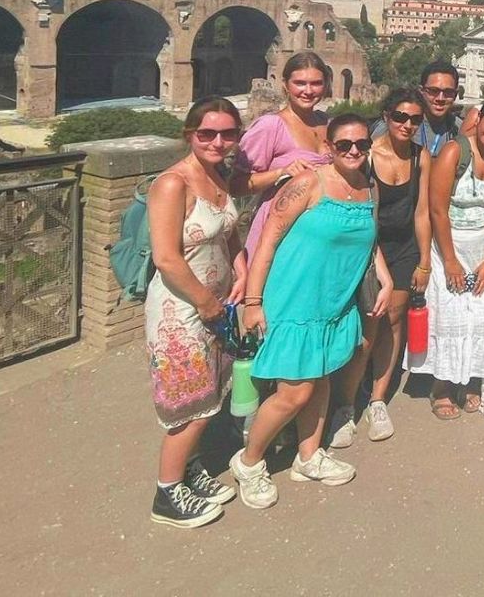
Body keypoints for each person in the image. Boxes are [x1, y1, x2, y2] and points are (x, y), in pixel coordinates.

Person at [231, 114, 392, 510]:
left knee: (320, 378)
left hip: (335, 299)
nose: (354, 151)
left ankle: (308, 456)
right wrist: (253, 302)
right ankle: (249, 461)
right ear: (329, 149)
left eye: (361, 145)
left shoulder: (369, 187)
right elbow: (267, 242)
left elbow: (370, 241)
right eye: (344, 145)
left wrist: (385, 278)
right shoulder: (308, 184)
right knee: (294, 392)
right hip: (295, 297)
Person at [144, 97, 246, 528]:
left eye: (227, 134)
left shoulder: (216, 175)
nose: (217, 141)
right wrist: (206, 302)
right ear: (190, 135)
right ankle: (167, 494)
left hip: (215, 304)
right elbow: (166, 257)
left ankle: (189, 470)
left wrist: (240, 269)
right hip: (181, 310)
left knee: (209, 393)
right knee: (191, 403)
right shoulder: (173, 184)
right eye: (207, 133)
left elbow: (227, 232)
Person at [328, 88, 432, 448]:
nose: (408, 124)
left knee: (394, 319)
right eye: (400, 117)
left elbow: (421, 211)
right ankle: (344, 404)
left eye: (416, 119)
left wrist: (425, 260)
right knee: (370, 325)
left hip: (403, 247)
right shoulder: (368, 155)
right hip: (368, 245)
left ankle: (376, 399)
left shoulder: (422, 157)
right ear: (386, 116)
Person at [406, 96, 484, 419]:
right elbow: (438, 209)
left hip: (483, 246)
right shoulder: (456, 151)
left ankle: (471, 380)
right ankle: (441, 386)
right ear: (479, 118)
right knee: (450, 314)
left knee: (481, 315)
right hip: (449, 246)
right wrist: (450, 260)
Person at [230, 51, 332, 262]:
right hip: (281, 234)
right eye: (300, 83)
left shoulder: (327, 123)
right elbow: (236, 186)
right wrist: (280, 173)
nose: (308, 90)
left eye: (316, 83)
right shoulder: (270, 126)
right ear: (285, 84)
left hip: (322, 234)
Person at [370, 60, 462, 160]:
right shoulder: (395, 123)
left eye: (448, 92)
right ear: (421, 91)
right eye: (433, 91)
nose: (440, 98)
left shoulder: (459, 128)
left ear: (455, 95)